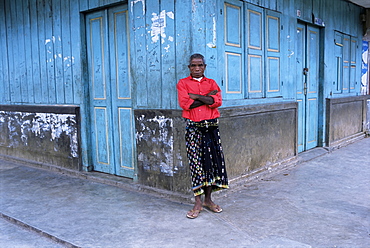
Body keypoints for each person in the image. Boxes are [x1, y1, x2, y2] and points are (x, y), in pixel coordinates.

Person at [177, 53, 228, 219]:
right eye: (193, 65)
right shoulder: (183, 83)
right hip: (193, 129)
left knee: (211, 164)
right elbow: (186, 104)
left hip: (211, 127)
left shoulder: (212, 83)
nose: (197, 68)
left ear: (204, 67)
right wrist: (208, 98)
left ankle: (208, 200)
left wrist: (197, 96)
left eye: (200, 65)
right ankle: (197, 202)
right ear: (189, 67)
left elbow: (218, 101)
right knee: (196, 165)